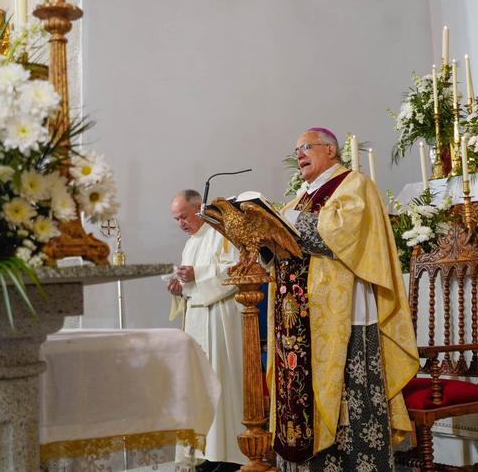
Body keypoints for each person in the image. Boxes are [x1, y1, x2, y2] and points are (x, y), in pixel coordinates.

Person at [269, 127, 418, 471]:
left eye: (306, 147)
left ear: (330, 150)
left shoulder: (353, 184)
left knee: (351, 398)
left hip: (343, 316)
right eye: (296, 150)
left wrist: (288, 222)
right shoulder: (299, 198)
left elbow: (342, 233)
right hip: (301, 319)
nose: (299, 155)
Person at [168, 190, 247, 472]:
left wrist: (197, 275)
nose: (181, 224)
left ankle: (228, 455)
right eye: (176, 219)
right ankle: (205, 454)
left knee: (220, 384)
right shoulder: (191, 244)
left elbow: (239, 270)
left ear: (198, 208)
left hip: (220, 318)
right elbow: (190, 284)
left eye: (184, 217)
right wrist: (179, 288)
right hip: (197, 321)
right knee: (200, 388)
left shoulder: (223, 232)